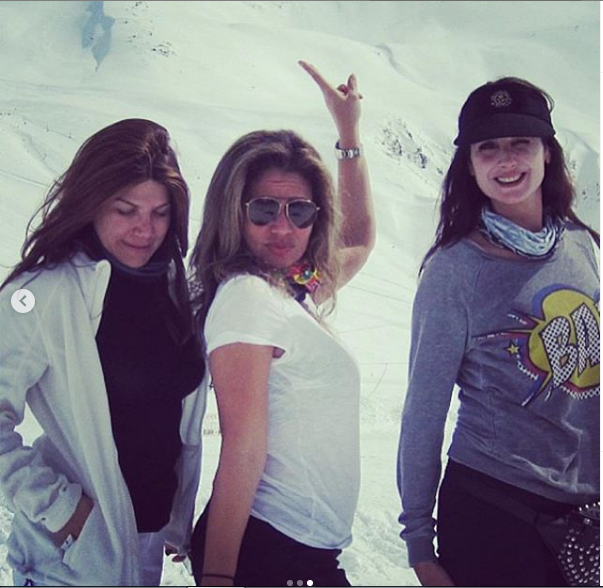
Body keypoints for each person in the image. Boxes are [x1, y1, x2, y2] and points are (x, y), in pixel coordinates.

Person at [397, 77, 600, 587]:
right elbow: (423, 411)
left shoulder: (580, 245)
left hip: (583, 515)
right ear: (469, 165)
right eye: (488, 148)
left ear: (547, 152)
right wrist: (419, 542)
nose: (506, 161)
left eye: (520, 143)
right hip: (492, 511)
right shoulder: (453, 270)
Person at [187, 61, 375, 587]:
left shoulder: (289, 290)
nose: (283, 228)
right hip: (271, 553)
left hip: (302, 554)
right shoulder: (248, 297)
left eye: (300, 211)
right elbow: (242, 449)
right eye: (264, 209)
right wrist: (219, 577)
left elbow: (359, 239)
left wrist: (348, 135)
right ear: (234, 210)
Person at [0, 118, 206, 586]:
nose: (144, 229)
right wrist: (62, 511)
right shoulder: (44, 290)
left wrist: (176, 516)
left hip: (147, 541)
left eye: (160, 213)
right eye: (125, 209)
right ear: (91, 201)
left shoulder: (174, 289)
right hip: (68, 558)